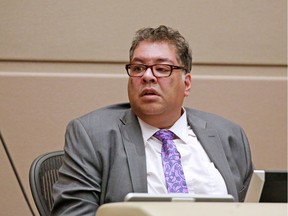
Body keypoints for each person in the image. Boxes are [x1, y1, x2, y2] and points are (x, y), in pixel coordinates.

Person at [52, 25, 253, 215]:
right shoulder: (92, 135)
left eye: (162, 68)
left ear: (187, 83)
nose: (148, 76)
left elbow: (252, 208)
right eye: (138, 68)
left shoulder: (229, 135)